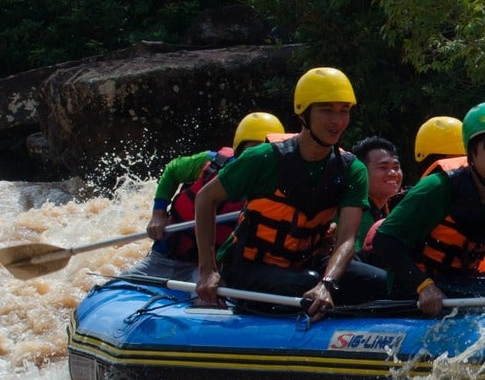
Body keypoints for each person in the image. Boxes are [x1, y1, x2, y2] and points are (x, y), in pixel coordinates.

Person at [191, 67, 387, 317]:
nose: (337, 121)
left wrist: (326, 284)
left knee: (389, 283)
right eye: (327, 111)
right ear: (304, 113)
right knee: (309, 283)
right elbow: (205, 198)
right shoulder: (262, 158)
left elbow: (347, 240)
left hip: (305, 264)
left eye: (344, 111)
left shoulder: (352, 169)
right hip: (249, 267)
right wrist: (207, 269)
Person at [370, 102, 485, 316]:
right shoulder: (438, 188)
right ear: (472, 154)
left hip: (463, 284)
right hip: (414, 287)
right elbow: (384, 241)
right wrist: (423, 286)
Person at [130, 111, 283, 278]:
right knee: (125, 282)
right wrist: (158, 213)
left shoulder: (280, 187)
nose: (257, 160)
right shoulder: (212, 162)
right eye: (251, 151)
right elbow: (173, 170)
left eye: (265, 152)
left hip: (213, 267)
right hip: (168, 254)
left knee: (205, 298)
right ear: (238, 151)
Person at [352, 135, 405, 222]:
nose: (393, 173)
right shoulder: (354, 213)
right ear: (362, 171)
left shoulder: (385, 210)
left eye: (396, 167)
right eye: (383, 167)